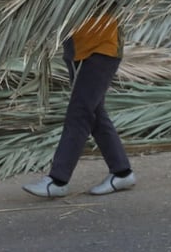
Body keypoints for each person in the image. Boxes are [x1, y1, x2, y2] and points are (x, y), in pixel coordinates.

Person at [22, 13, 137, 198]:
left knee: (79, 113)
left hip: (102, 50)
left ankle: (58, 180)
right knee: (95, 113)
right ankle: (122, 172)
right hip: (78, 50)